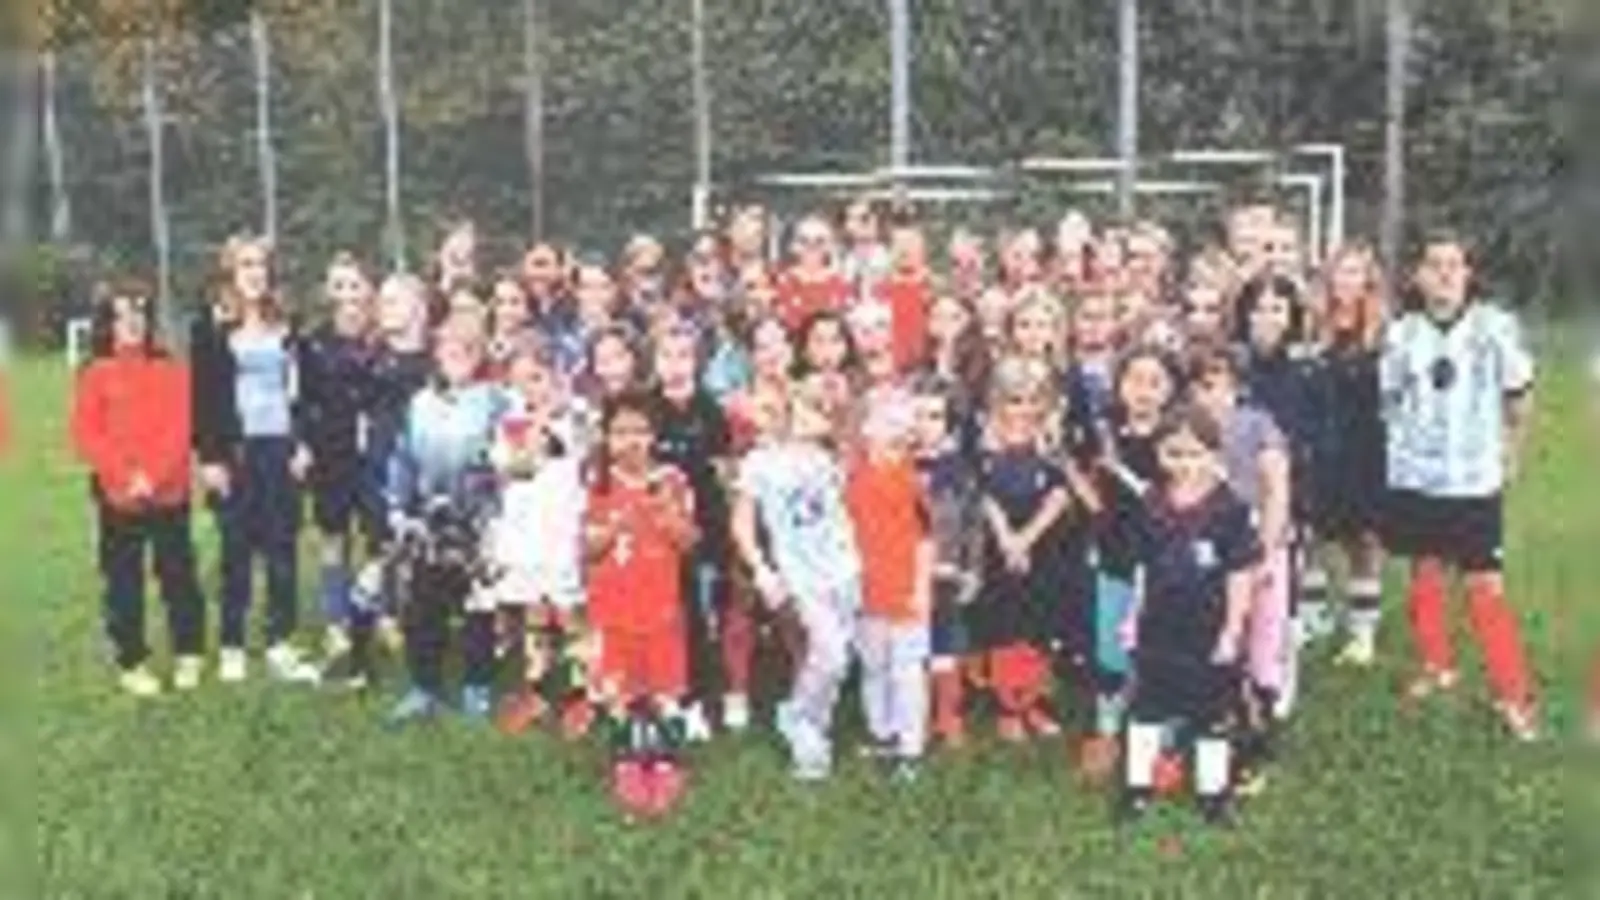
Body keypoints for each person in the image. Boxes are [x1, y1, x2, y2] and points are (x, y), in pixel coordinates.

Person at [1380, 232, 1538, 740]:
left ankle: (1513, 695)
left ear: (1469, 274)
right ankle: (1437, 665)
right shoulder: (1401, 332)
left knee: (1484, 587)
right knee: (1424, 571)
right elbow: (1390, 401)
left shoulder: (1495, 327)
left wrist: (1510, 456)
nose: (1445, 273)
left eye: (1455, 264)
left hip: (1473, 483)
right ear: (1418, 276)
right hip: (1417, 478)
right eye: (1434, 264)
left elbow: (1518, 401)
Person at [1119, 402, 1260, 828]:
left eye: (1194, 453)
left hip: (1209, 628)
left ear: (1214, 454)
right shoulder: (1151, 503)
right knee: (1147, 708)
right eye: (1173, 453)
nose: (1183, 464)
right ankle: (1136, 790)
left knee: (1212, 713)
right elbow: (1142, 567)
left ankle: (1213, 795)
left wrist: (1233, 629)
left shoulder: (1230, 509)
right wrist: (1133, 615)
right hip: (1159, 626)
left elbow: (1241, 574)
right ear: (1159, 455)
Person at [190, 235, 320, 684]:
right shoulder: (209, 326)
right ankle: (231, 643)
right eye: (245, 264)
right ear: (229, 271)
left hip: (281, 450)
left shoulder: (290, 325)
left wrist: (304, 444)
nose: (254, 273)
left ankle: (281, 641)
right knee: (235, 552)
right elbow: (203, 398)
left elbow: (309, 393)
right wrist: (210, 458)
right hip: (235, 453)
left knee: (283, 551)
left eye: (261, 264)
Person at [71, 279, 207, 695]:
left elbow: (182, 426)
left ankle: (189, 652)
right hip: (117, 497)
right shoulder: (95, 373)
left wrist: (156, 475)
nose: (131, 322)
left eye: (139, 314)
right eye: (121, 315)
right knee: (123, 580)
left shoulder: (171, 369)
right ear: (107, 323)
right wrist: (126, 476)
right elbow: (86, 434)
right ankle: (132, 661)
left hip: (169, 492)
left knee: (178, 574)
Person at [732, 379, 862, 781]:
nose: (771, 418)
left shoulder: (824, 456)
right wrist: (761, 570)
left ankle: (810, 725)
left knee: (836, 662)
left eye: (777, 408)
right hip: (801, 576)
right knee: (832, 653)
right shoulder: (758, 462)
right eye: (762, 411)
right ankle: (802, 725)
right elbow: (742, 524)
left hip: (844, 568)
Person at [384, 317, 506, 726]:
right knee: (423, 608)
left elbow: (510, 459)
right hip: (427, 524)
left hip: (479, 522)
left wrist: (496, 516)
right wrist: (399, 507)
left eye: (468, 349)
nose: (458, 357)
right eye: (449, 348)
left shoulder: (495, 401)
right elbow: (402, 457)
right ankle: (425, 687)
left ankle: (478, 688)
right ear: (437, 353)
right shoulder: (420, 403)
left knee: (478, 611)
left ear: (480, 354)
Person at [1190, 344, 1293, 788]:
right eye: (1203, 385)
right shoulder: (1187, 430)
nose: (1214, 395)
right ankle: (1221, 735)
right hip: (1210, 551)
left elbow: (1277, 486)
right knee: (1219, 644)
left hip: (1258, 546)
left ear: (1239, 385)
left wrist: (1266, 553)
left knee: (1262, 647)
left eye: (1223, 384)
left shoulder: (1257, 423)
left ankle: (1259, 739)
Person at [1078, 346, 1182, 781]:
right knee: (1111, 649)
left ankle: (1167, 736)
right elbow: (1096, 498)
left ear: (1171, 389)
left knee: (1164, 647)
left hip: (1164, 564)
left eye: (1155, 382)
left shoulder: (1178, 440)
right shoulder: (1107, 434)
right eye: (1135, 380)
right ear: (1119, 386)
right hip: (1115, 558)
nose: (1143, 391)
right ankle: (1106, 730)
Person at [488, 335, 591, 737]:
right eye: (521, 381)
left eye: (538, 377)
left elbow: (579, 449)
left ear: (558, 375)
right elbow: (514, 468)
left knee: (569, 614)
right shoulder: (510, 420)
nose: (531, 389)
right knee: (533, 609)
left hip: (561, 530)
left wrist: (551, 417)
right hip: (523, 531)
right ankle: (536, 687)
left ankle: (582, 692)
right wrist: (534, 427)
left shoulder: (579, 415)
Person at [584, 390, 699, 727]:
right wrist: (614, 526)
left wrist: (668, 517)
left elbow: (690, 543)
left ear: (654, 436)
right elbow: (589, 551)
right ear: (606, 437)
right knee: (618, 698)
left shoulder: (672, 480)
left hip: (660, 604)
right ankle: (625, 731)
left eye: (639, 431)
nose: (630, 441)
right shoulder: (599, 483)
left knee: (664, 694)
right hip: (612, 605)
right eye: (620, 433)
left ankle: (665, 731)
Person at [975, 356, 1073, 742]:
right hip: (999, 549)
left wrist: (1027, 538)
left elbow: (1059, 495)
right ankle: (1008, 706)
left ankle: (1035, 701)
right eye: (1014, 400)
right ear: (998, 402)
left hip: (1042, 545)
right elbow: (984, 496)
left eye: (1034, 400)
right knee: (1006, 627)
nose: (1024, 409)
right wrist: (1007, 540)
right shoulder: (986, 443)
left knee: (1038, 626)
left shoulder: (1050, 444)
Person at [650, 321, 733, 738]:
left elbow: (721, 470)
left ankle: (699, 698)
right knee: (659, 612)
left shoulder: (710, 410)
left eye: (684, 356)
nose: (675, 365)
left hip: (702, 530)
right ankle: (662, 692)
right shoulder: (644, 408)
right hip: (655, 531)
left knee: (699, 615)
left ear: (697, 362)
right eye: (666, 355)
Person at [846, 393, 935, 781]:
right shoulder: (852, 480)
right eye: (884, 440)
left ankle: (910, 746)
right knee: (874, 666)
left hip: (903, 591)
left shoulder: (913, 483)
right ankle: (882, 732)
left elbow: (926, 541)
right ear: (867, 438)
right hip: (865, 590)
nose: (890, 450)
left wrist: (921, 589)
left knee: (908, 669)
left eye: (900, 443)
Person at [1308, 244, 1389, 665]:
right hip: (1320, 445)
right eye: (1339, 272)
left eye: (1355, 273)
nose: (1346, 281)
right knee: (1311, 535)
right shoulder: (1311, 329)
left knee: (1364, 542)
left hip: (1367, 448)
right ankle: (1315, 617)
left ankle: (1362, 634)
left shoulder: (1383, 334)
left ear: (1368, 281)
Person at [299, 253, 378, 668]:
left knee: (381, 539)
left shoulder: (384, 335)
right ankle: (336, 621)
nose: (348, 293)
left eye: (355, 284)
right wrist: (302, 444)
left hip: (377, 454)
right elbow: (301, 399)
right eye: (340, 285)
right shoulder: (312, 341)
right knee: (334, 538)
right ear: (329, 292)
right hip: (330, 453)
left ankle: (378, 611)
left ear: (368, 289)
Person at [911, 374, 983, 749]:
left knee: (946, 642)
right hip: (905, 577)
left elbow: (973, 522)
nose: (926, 426)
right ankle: (915, 713)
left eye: (935, 417)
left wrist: (972, 569)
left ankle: (947, 712)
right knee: (911, 646)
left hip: (946, 572)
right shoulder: (895, 464)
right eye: (918, 416)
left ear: (950, 423)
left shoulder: (959, 468)